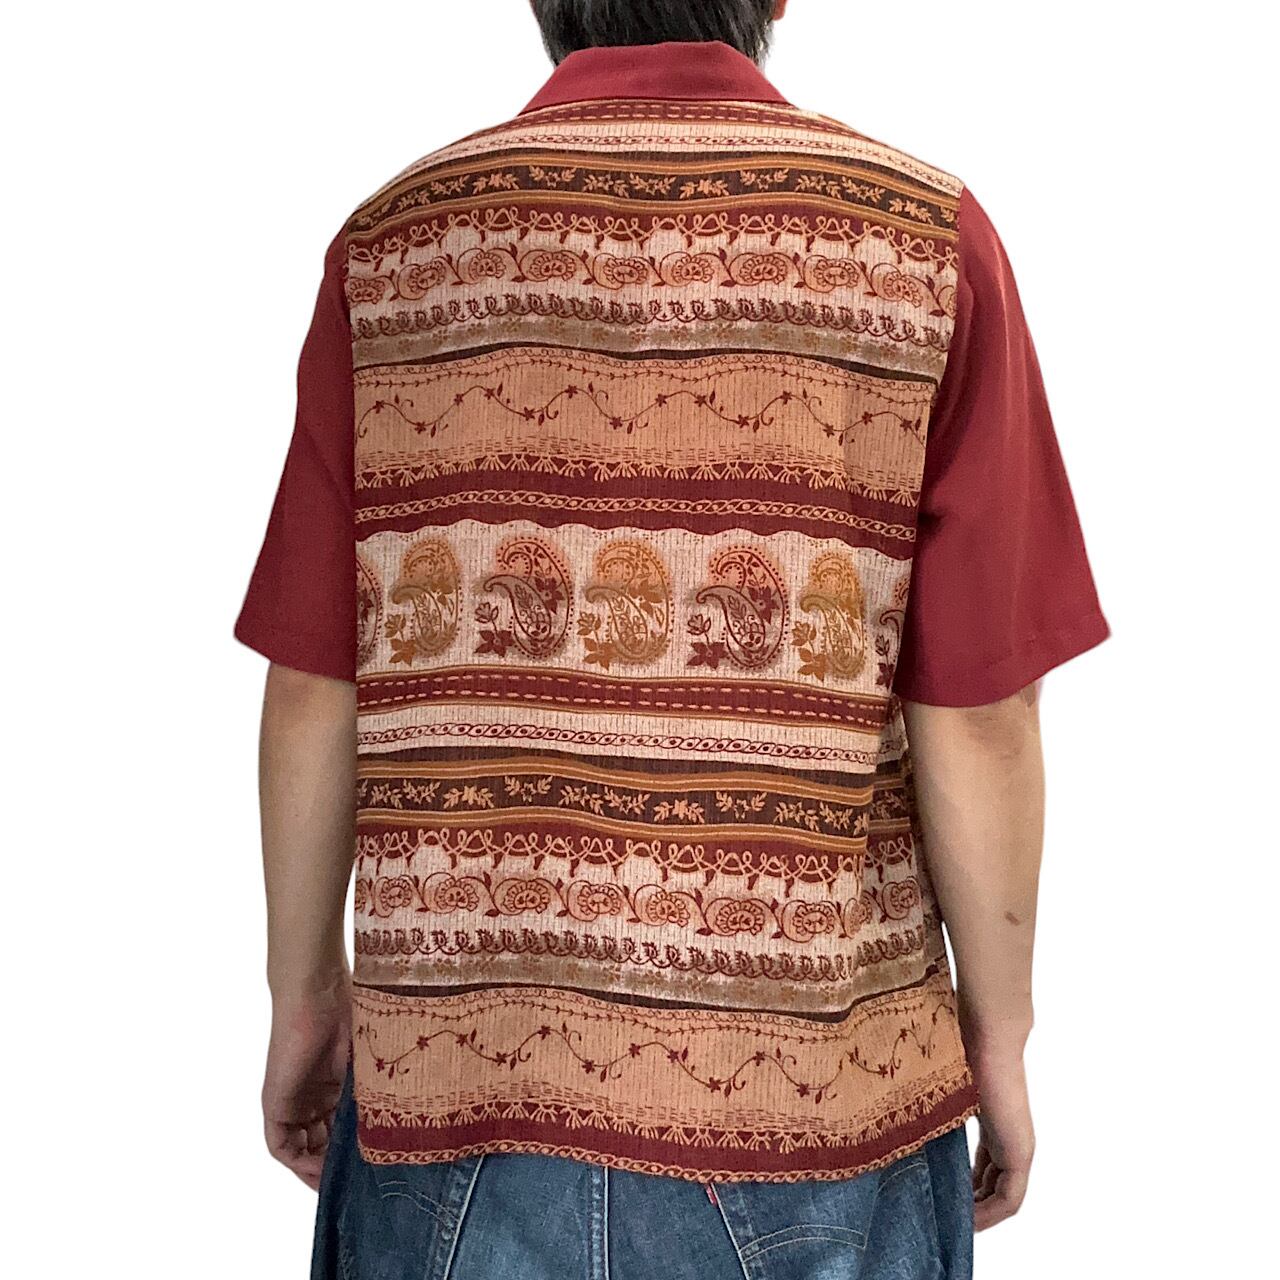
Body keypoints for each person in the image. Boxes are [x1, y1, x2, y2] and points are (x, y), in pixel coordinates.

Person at [234, 2, 1110, 1275]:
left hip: (456, 1105)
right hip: (817, 1106)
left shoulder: (399, 246)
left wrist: (303, 1002)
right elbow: (978, 710)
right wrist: (1002, 1034)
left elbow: (316, 679)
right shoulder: (921, 239)